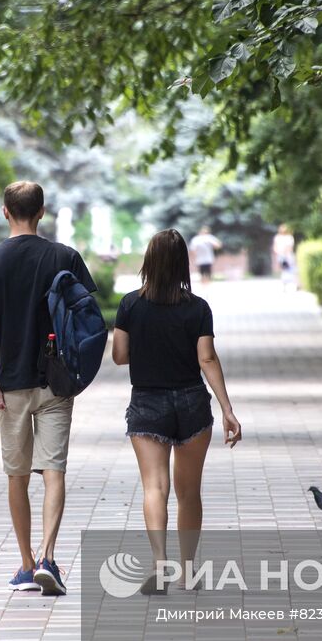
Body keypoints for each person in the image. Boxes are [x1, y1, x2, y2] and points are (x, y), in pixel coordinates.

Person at [0, 181, 97, 596]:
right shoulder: (65, 257)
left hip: (12, 385)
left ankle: (25, 565)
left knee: (17, 475)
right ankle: (47, 557)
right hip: (56, 382)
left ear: (6, 212)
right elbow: (87, 315)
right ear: (42, 212)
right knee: (53, 471)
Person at [113, 230, 241, 593]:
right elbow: (207, 358)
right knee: (189, 493)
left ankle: (159, 569)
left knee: (155, 488)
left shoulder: (130, 305)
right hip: (191, 403)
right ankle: (187, 573)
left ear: (149, 261)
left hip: (147, 403)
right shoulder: (197, 307)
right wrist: (227, 409)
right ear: (184, 261)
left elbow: (120, 356)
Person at [272, 224, 296, 289]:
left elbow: (289, 247)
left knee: (288, 269)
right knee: (286, 270)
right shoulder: (278, 237)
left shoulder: (288, 237)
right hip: (283, 256)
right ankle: (286, 284)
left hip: (286, 255)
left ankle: (288, 283)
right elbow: (275, 247)